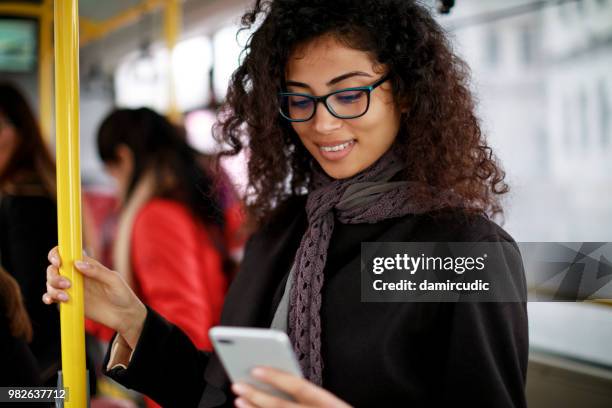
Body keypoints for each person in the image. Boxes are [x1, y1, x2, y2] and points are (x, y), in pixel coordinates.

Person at [44, 1, 528, 407]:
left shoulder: (460, 249)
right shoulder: (282, 231)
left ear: (403, 93)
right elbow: (217, 396)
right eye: (301, 100)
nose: (322, 123)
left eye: (350, 94)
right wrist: (135, 321)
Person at [90, 107, 243, 352]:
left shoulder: (156, 218)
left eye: (112, 173)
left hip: (185, 379)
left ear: (124, 158)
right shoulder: (192, 200)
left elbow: (183, 330)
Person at [0, 81, 61, 384]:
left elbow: (34, 298)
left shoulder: (24, 200)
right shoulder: (40, 189)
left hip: (40, 379)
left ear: (21, 132)